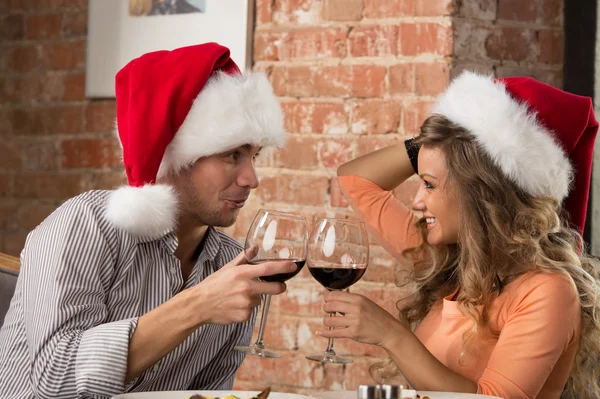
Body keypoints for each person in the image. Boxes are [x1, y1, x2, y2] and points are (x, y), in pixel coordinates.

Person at [0, 43, 293, 398]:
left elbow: (210, 394)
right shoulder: (87, 225)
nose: (252, 178)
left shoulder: (230, 266)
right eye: (232, 155)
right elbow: (55, 378)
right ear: (178, 155)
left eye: (254, 156)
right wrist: (198, 305)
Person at [322, 72, 600, 399]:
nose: (417, 201)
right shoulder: (448, 262)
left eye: (429, 184)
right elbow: (356, 179)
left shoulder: (547, 292)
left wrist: (391, 335)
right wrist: (449, 136)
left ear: (477, 193)